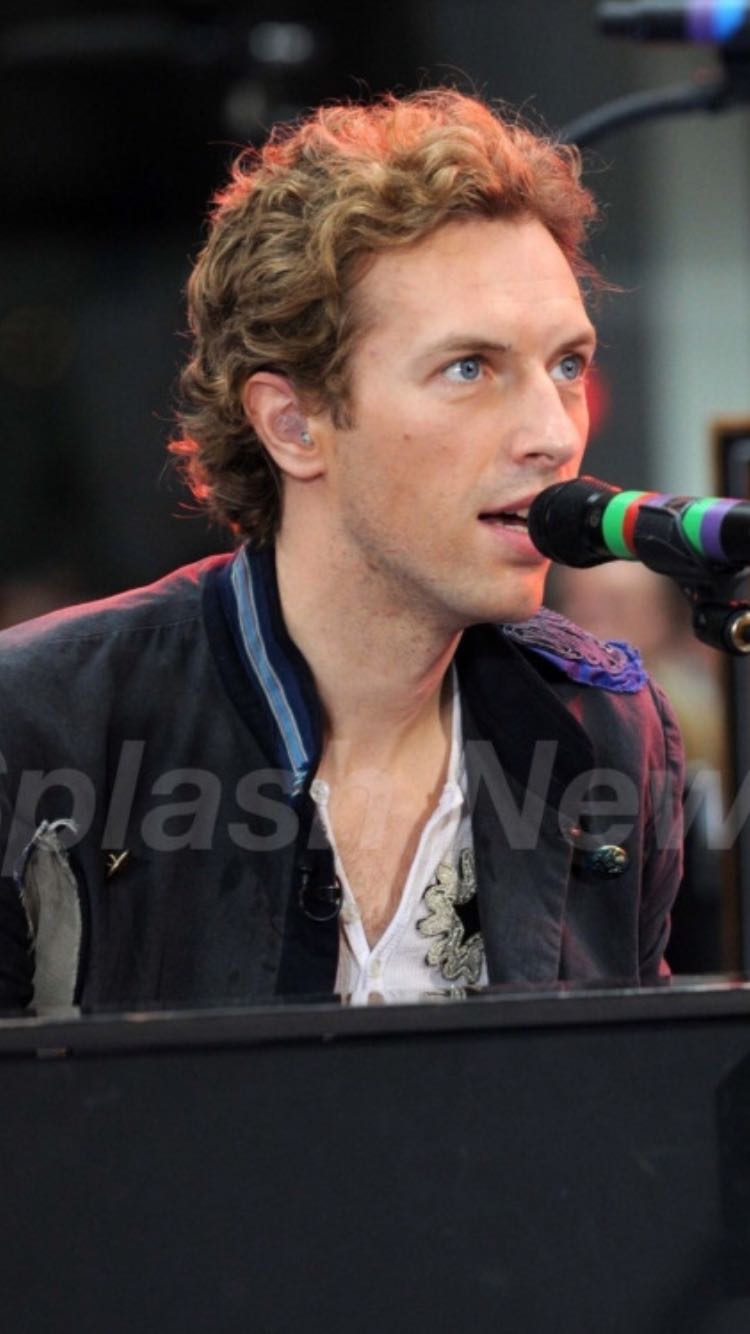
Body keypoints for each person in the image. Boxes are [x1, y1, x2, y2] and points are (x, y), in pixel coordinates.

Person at [0, 89, 683, 1011]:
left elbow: (630, 1092)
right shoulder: (39, 724)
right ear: (293, 425)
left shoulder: (609, 728)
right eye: (469, 368)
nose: (553, 434)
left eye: (566, 364)